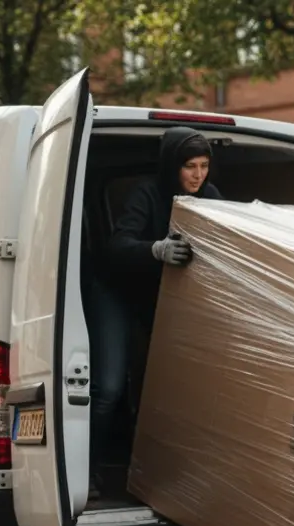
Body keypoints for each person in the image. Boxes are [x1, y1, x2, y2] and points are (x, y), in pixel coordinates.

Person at [91, 127, 221, 488]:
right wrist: (156, 249)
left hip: (160, 297)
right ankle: (87, 471)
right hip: (116, 292)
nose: (198, 175)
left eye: (204, 165)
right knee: (110, 388)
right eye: (189, 167)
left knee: (160, 389)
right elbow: (117, 247)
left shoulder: (210, 197)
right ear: (171, 167)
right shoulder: (147, 193)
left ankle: (148, 475)